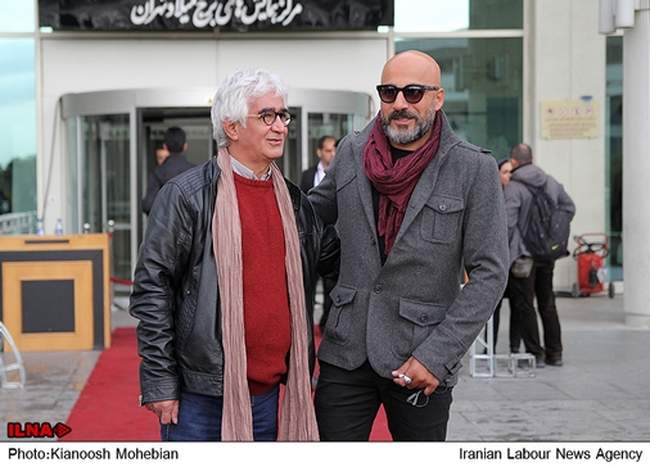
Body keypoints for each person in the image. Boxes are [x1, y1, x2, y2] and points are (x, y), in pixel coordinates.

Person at [309, 50, 509, 441]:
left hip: (421, 357)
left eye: (413, 93)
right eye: (389, 92)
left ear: (438, 98)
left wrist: (437, 356)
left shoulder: (473, 168)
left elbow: (490, 273)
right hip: (346, 351)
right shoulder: (351, 152)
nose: (400, 103)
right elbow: (309, 217)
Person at [129, 69, 338, 441]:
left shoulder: (295, 202)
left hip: (271, 395)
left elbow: (338, 262)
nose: (280, 127)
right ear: (232, 127)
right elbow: (152, 289)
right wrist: (159, 379)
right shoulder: (186, 197)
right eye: (267, 116)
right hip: (199, 398)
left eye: (283, 115)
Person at [504, 143, 575, 367]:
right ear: (532, 159)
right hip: (547, 253)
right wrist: (553, 233)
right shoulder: (550, 182)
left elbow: (508, 224)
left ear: (514, 161)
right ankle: (555, 353)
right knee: (548, 302)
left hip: (523, 256)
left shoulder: (514, 187)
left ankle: (536, 354)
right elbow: (569, 208)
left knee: (525, 305)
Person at [300, 135, 338, 330]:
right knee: (308, 284)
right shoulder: (308, 175)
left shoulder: (341, 173)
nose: (332, 154)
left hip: (332, 239)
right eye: (328, 150)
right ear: (319, 152)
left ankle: (326, 323)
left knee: (331, 287)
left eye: (334, 150)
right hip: (310, 240)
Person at [141, 127, 194, 215]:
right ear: (185, 146)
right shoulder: (195, 172)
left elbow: (148, 205)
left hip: (165, 222)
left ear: (165, 147)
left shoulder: (157, 173)